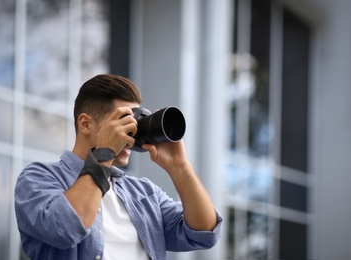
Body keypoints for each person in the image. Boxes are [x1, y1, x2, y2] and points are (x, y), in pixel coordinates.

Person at [14, 74, 223, 260]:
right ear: (86, 124)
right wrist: (104, 153)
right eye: (123, 121)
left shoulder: (144, 193)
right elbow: (65, 229)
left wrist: (179, 167)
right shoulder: (39, 178)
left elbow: (204, 233)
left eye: (135, 123)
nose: (131, 134)